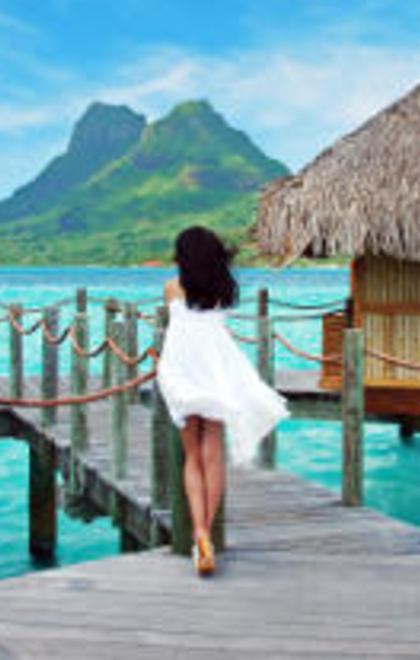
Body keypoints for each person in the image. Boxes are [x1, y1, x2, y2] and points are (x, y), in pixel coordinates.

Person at [156, 226, 290, 576]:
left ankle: (198, 533)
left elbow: (176, 324)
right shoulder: (219, 289)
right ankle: (206, 536)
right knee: (212, 453)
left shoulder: (171, 288)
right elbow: (214, 327)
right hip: (214, 374)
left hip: (181, 375)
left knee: (191, 457)